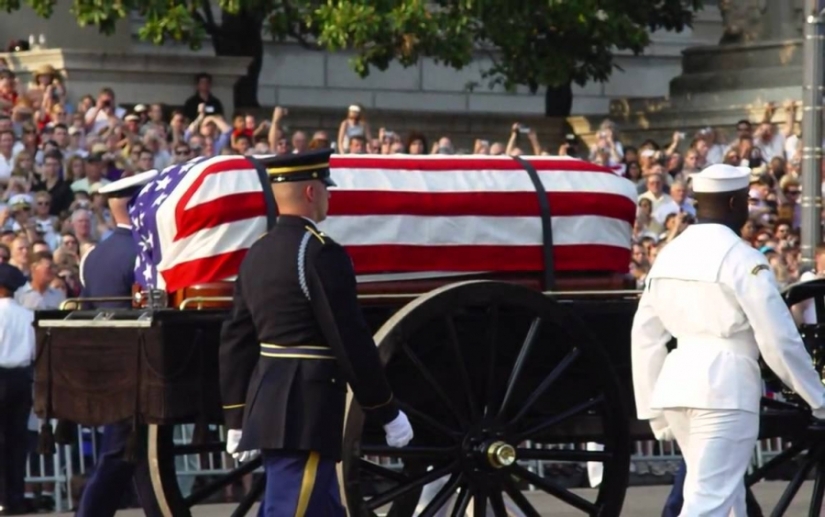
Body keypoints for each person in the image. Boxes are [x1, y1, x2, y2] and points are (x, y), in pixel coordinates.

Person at [220, 149, 413, 516]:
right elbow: (350, 340)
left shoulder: (256, 253)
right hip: (305, 409)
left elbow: (236, 340)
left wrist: (236, 416)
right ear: (311, 192)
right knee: (291, 507)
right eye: (325, 187)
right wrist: (384, 409)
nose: (329, 195)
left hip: (269, 402)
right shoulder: (320, 253)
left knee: (319, 506)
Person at [631, 163, 825, 517]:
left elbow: (645, 335)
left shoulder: (669, 255)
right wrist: (818, 397)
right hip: (724, 388)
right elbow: (778, 339)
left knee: (725, 499)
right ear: (736, 203)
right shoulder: (742, 259)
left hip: (678, 386)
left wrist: (651, 407)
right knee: (709, 503)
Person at [75, 169, 161, 517]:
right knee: (118, 452)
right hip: (141, 364)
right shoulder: (143, 253)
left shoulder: (96, 255)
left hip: (110, 364)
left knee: (131, 452)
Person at [0, 263, 34, 515]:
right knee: (16, 441)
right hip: (22, 379)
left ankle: (2, 496)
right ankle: (15, 495)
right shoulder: (28, 315)